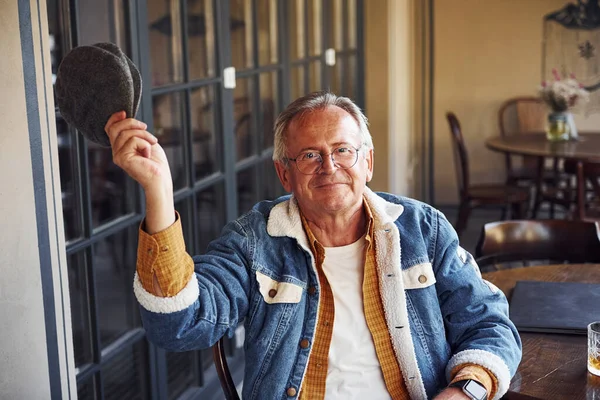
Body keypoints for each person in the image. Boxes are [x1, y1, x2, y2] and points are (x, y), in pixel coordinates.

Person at [105, 91, 521, 400]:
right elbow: (178, 327)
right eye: (309, 155)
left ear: (368, 163)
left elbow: (488, 323)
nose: (330, 167)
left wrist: (466, 391)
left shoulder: (422, 228)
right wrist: (159, 192)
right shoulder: (255, 241)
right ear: (284, 174)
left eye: (343, 150)